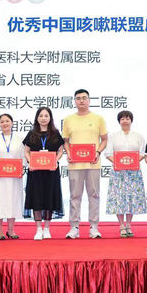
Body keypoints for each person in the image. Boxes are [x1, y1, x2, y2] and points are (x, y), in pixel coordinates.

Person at [62, 89, 108, 239]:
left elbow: (104, 140)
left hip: (93, 163)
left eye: (84, 98)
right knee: (75, 196)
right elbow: (65, 141)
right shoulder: (68, 119)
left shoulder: (98, 119)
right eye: (78, 98)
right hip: (75, 164)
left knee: (94, 195)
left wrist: (98, 152)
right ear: (74, 101)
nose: (81, 101)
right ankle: (74, 227)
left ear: (89, 100)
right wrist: (69, 153)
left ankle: (94, 227)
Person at [23, 107, 64, 240]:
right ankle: (38, 229)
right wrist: (31, 162)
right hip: (35, 172)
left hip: (51, 172)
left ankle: (47, 228)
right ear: (37, 118)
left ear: (50, 118)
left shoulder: (55, 134)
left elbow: (60, 150)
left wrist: (55, 161)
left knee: (49, 197)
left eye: (46, 116)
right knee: (36, 198)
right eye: (41, 116)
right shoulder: (31, 134)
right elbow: (26, 151)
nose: (43, 118)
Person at [105, 110, 147, 237]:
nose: (125, 121)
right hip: (118, 172)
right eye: (122, 119)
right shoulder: (113, 136)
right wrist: (119, 162)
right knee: (119, 198)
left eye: (127, 118)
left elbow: (143, 153)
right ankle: (121, 225)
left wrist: (131, 162)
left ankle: (129, 224)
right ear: (119, 121)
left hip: (134, 172)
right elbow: (108, 153)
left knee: (131, 197)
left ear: (131, 121)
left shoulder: (138, 136)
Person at [0, 113, 26, 239]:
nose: (5, 123)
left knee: (13, 201)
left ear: (12, 123)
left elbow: (24, 157)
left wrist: (22, 169)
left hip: (14, 177)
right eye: (2, 122)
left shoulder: (20, 139)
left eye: (7, 121)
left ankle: (11, 230)